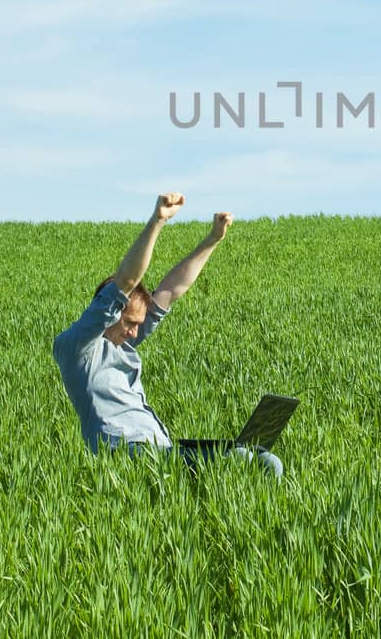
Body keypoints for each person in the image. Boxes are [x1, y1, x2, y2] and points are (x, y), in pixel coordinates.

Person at [51, 192, 283, 477]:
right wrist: (157, 221)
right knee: (238, 459)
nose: (136, 331)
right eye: (130, 323)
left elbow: (171, 290)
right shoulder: (76, 348)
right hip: (126, 453)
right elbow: (126, 280)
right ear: (111, 312)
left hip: (162, 450)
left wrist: (212, 239)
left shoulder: (123, 344)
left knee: (263, 458)